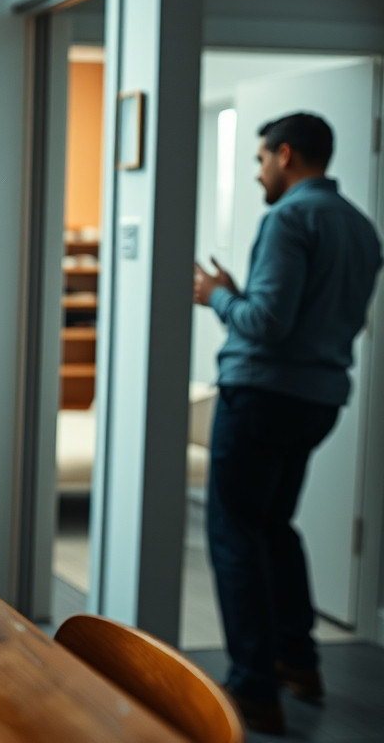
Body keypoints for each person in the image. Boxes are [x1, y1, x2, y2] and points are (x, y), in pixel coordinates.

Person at [193, 111, 382, 734]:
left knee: (234, 533)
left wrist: (217, 294)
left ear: (287, 155)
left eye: (260, 160)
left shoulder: (290, 217)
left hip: (262, 396)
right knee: (273, 526)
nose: (258, 173)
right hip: (318, 398)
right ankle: (298, 661)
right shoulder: (360, 226)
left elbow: (266, 322)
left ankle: (252, 687)